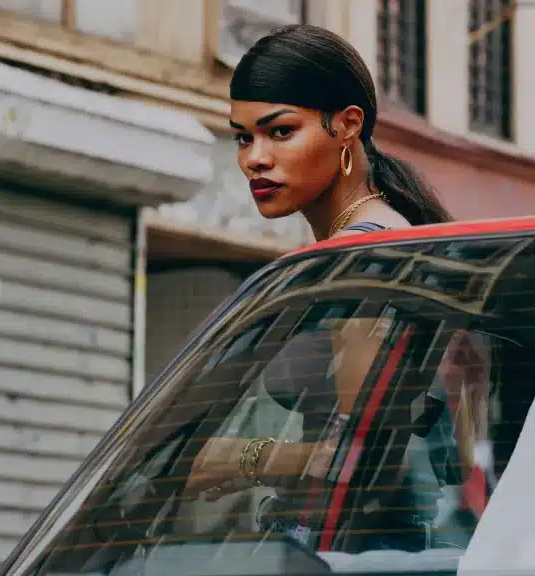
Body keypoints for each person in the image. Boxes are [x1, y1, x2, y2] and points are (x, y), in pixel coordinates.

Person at [185, 24, 488, 552]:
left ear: (347, 126)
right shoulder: (389, 245)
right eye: (243, 137)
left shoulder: (362, 261)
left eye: (280, 132)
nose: (254, 157)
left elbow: (360, 458)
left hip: (349, 554)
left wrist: (237, 455)